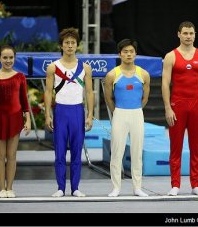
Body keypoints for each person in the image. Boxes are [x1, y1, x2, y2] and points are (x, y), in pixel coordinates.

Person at [162, 21, 198, 196]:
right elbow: (165, 84)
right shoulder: (171, 56)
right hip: (178, 105)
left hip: (197, 105)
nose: (188, 36)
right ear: (178, 34)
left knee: (196, 146)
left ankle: (196, 184)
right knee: (175, 147)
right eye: (185, 33)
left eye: (191, 33)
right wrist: (168, 108)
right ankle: (175, 184)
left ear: (195, 34)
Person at [44, 27, 94, 197]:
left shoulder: (85, 68)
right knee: (59, 152)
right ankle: (60, 187)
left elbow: (89, 92)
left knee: (76, 151)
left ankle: (75, 188)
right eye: (67, 43)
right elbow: (48, 92)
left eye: (73, 43)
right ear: (61, 46)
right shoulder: (53, 67)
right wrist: (47, 115)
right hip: (60, 112)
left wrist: (90, 114)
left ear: (77, 46)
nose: (70, 46)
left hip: (77, 111)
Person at [104, 39, 151, 197]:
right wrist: (117, 112)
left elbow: (145, 97)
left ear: (136, 54)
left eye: (131, 51)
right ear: (119, 54)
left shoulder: (143, 74)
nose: (128, 54)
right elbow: (109, 98)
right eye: (125, 52)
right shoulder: (112, 75)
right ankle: (116, 187)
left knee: (137, 152)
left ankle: (137, 187)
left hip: (137, 113)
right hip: (120, 113)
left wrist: (137, 109)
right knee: (117, 151)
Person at [0, 45, 31, 198]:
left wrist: (28, 120)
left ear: (15, 58)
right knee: (0, 154)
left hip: (15, 117)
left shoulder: (20, 77)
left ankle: (10, 187)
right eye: (5, 57)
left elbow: (24, 102)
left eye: (11, 57)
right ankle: (1, 188)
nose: (8, 60)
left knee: (12, 155)